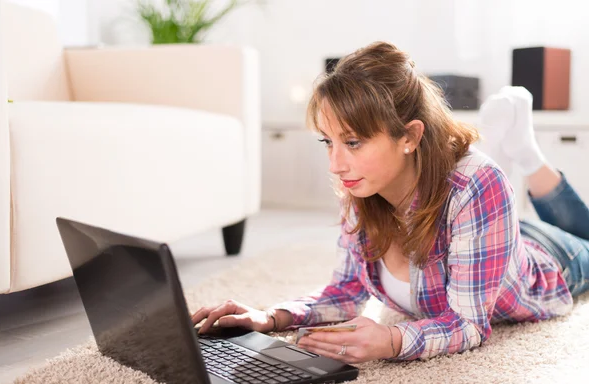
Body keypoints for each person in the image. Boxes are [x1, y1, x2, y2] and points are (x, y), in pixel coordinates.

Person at [191, 41, 589, 363]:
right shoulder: (361, 183)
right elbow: (346, 292)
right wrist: (270, 316)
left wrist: (393, 340)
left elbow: (468, 325)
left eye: (352, 142)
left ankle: (527, 154)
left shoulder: (475, 184)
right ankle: (524, 155)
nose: (334, 163)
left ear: (410, 137)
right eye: (327, 141)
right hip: (487, 228)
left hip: (553, 261)